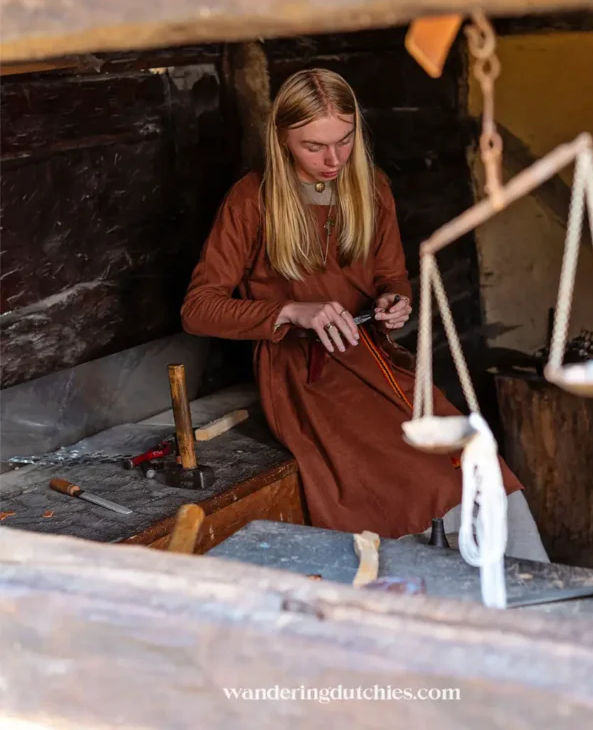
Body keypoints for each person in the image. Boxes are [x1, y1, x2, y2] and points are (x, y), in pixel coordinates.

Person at [181, 68, 547, 559]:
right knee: (406, 480)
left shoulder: (370, 187)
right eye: (314, 146)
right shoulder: (252, 201)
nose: (333, 159)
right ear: (281, 139)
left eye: (345, 140)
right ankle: (417, 594)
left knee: (474, 461)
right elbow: (197, 309)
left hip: (376, 359)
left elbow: (390, 277)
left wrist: (397, 301)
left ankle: (512, 591)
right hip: (305, 376)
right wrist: (290, 311)